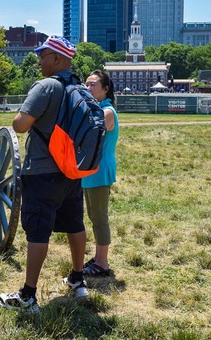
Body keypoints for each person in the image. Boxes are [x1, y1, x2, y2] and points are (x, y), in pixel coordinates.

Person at [0, 35, 88, 313]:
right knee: (75, 224)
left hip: (42, 171)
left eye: (43, 55)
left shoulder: (47, 86)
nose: (39, 60)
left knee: (38, 232)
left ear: (57, 59)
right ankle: (77, 279)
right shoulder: (80, 88)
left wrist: (22, 113)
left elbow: (20, 125)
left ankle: (27, 296)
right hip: (72, 170)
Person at [82, 70, 118, 276]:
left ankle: (103, 263)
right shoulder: (95, 109)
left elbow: (88, 137)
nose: (88, 88)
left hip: (100, 170)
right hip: (90, 170)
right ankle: (98, 257)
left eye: (93, 84)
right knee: (93, 215)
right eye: (86, 84)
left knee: (99, 218)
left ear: (105, 89)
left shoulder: (107, 112)